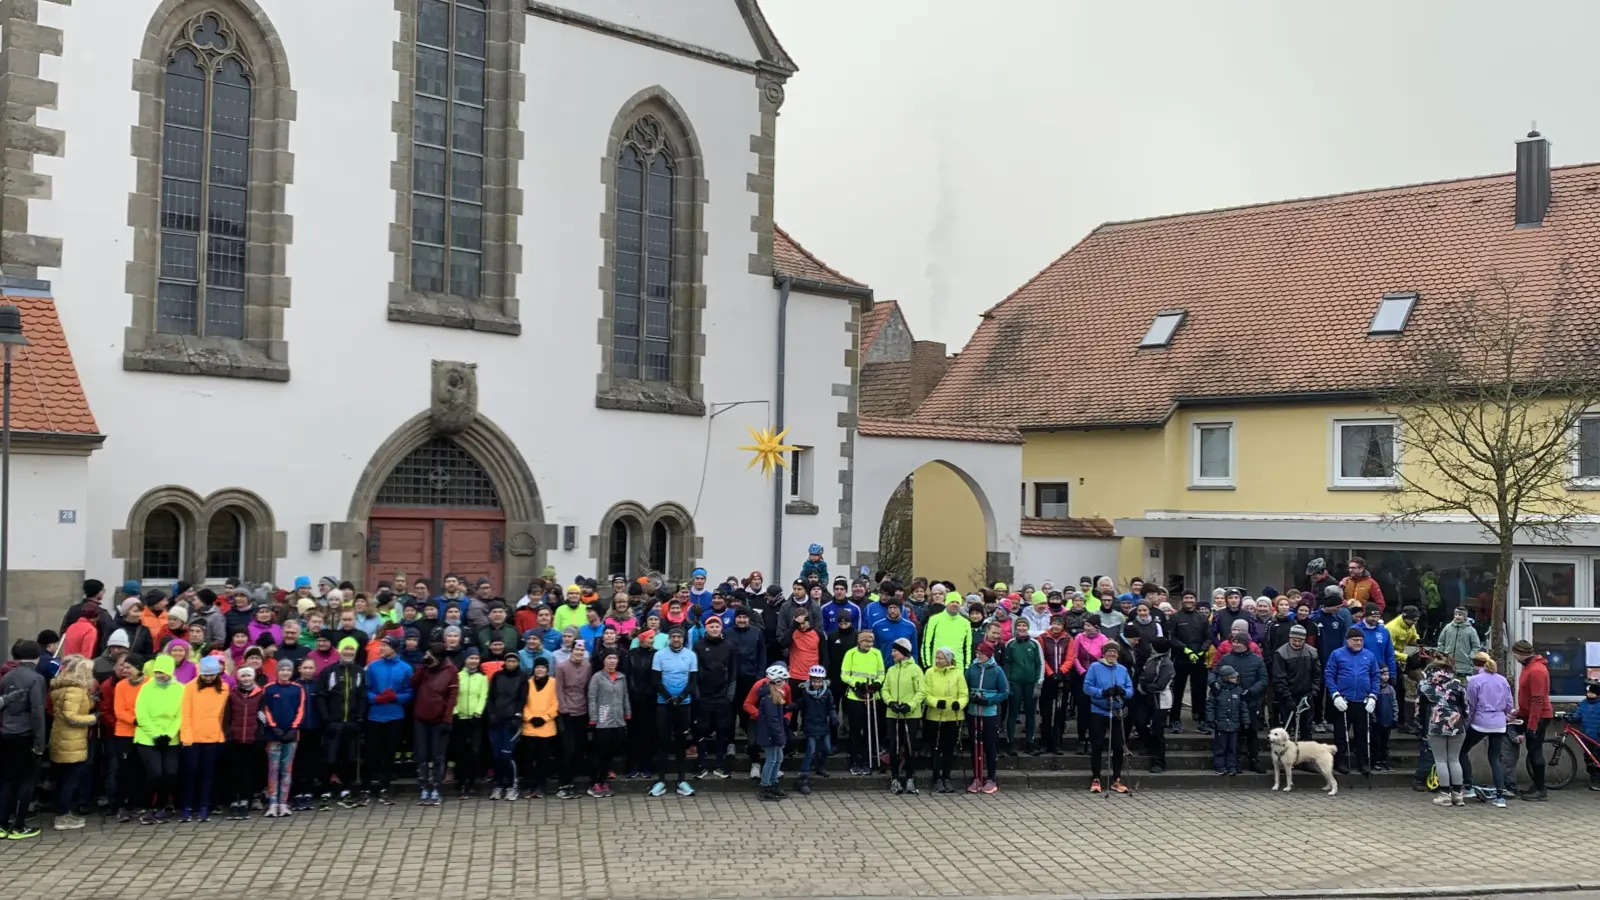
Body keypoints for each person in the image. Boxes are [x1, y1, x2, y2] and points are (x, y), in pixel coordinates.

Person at [314, 637, 367, 808]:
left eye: (352, 650)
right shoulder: (328, 671)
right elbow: (321, 696)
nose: (349, 653)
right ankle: (326, 789)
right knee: (330, 758)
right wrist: (326, 718)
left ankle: (346, 788)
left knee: (349, 758)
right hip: (333, 723)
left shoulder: (359, 672)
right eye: (346, 649)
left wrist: (359, 716)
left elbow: (362, 696)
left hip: (351, 723)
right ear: (340, 651)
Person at [46, 655, 97, 831]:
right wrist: (92, 718)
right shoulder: (74, 691)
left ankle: (63, 812)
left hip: (63, 738)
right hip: (71, 741)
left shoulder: (61, 688)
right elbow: (71, 716)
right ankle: (62, 816)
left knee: (64, 779)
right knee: (69, 780)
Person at [364, 637, 415, 805]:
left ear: (393, 648)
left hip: (395, 715)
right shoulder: (373, 667)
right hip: (375, 715)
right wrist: (376, 698)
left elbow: (410, 692)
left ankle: (385, 787)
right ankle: (367, 787)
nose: (381, 649)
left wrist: (396, 697)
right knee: (371, 752)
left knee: (389, 752)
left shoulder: (405, 668)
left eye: (384, 646)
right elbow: (366, 690)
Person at [177, 655, 229, 822]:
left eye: (211, 675)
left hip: (213, 737)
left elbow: (223, 715)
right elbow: (186, 713)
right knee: (190, 773)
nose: (208, 678)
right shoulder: (190, 687)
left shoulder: (224, 688)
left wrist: (221, 736)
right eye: (205, 675)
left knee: (208, 774)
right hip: (193, 737)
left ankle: (204, 805)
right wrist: (186, 736)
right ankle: (187, 806)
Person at [134, 653, 184, 824]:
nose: (160, 676)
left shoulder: (180, 689)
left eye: (163, 672)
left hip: (170, 738)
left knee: (170, 773)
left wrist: (168, 735)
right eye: (157, 672)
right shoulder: (146, 688)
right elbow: (141, 714)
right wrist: (155, 735)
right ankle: (149, 807)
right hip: (148, 738)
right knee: (155, 773)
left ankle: (163, 806)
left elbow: (180, 715)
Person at [649, 628, 699, 798]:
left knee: (681, 743)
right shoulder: (659, 655)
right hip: (664, 704)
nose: (676, 639)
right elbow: (655, 680)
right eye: (673, 637)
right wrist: (669, 698)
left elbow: (693, 681)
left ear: (683, 639)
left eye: (679, 636)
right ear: (669, 639)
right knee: (663, 742)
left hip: (684, 705)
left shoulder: (691, 655)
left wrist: (681, 697)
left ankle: (681, 780)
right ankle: (661, 780)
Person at [1461, 652, 1515, 807]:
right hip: (1499, 723)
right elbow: (1509, 703)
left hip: (1480, 722)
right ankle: (1500, 796)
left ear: (1476, 665)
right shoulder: (1502, 680)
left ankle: (1468, 786)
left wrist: (1467, 722)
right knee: (1495, 757)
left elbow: (1471, 704)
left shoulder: (1475, 681)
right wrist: (1504, 716)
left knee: (1463, 751)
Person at [1324, 627, 1380, 775]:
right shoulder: (1337, 654)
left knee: (1362, 734)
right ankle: (1340, 761)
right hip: (1343, 700)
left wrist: (1373, 696)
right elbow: (1329, 675)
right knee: (1341, 734)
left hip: (1363, 701)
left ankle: (1363, 762)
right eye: (1355, 640)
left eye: (1361, 640)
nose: (1358, 643)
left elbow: (1375, 676)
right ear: (1347, 640)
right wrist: (1335, 695)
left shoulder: (1369, 655)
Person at [1082, 640, 1133, 794]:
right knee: (1097, 745)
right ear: (1104, 653)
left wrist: (1123, 692)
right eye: (1109, 651)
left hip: (1117, 711)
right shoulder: (1095, 667)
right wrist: (1102, 692)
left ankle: (1116, 779)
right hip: (1099, 710)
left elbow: (1131, 689)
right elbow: (1087, 687)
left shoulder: (1122, 669)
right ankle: (1096, 778)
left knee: (1118, 746)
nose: (1112, 654)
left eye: (1115, 652)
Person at [1417, 660, 1468, 806]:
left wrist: (1421, 724)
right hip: (1456, 723)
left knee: (1440, 760)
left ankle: (1445, 794)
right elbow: (1465, 706)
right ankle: (1458, 794)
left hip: (1436, 724)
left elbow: (1419, 707)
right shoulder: (1457, 684)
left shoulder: (1424, 685)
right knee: (1454, 759)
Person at [692, 615, 737, 779]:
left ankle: (720, 764)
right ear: (706, 628)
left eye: (717, 626)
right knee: (701, 731)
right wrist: (696, 693)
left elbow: (733, 671)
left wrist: (730, 694)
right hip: (704, 696)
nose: (714, 629)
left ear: (721, 628)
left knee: (722, 731)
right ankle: (701, 765)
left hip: (722, 696)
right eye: (711, 626)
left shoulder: (728, 646)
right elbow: (694, 671)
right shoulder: (698, 646)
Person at [262, 658, 306, 817]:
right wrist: (274, 727)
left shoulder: (297, 688)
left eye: (288, 670)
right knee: (273, 769)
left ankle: (283, 802)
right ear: (277, 671)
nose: (285, 673)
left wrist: (294, 729)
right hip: (274, 736)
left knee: (286, 769)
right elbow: (265, 709)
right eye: (282, 670)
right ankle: (272, 802)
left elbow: (300, 709)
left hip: (291, 736)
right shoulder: (269, 688)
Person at [881, 637, 925, 794]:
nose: (892, 654)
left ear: (904, 652)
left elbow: (921, 691)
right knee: (894, 747)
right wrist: (890, 702)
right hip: (893, 714)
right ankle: (894, 778)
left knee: (909, 747)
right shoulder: (892, 670)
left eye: (895, 651)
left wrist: (910, 705)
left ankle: (910, 778)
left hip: (910, 715)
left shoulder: (915, 670)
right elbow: (884, 689)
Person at [965, 641, 1008, 794]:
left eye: (982, 654)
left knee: (989, 746)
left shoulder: (997, 670)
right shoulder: (972, 668)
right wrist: (970, 697)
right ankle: (977, 777)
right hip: (973, 711)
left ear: (989, 655)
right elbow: (965, 685)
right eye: (977, 653)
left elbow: (1004, 692)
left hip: (989, 713)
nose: (979, 656)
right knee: (975, 745)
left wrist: (989, 701)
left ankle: (991, 778)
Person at [839, 629, 884, 775]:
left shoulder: (876, 653)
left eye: (871, 641)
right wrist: (855, 684)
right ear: (859, 641)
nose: (869, 644)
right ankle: (854, 759)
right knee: (855, 730)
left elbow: (881, 673)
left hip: (872, 696)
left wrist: (877, 683)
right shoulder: (850, 653)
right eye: (866, 641)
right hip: (855, 696)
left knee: (869, 729)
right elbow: (844, 674)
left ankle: (866, 759)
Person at [1512, 639, 1552, 801]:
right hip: (1531, 715)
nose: (1514, 656)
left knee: (1535, 752)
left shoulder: (1536, 670)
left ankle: (1541, 789)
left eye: (1515, 653)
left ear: (1520, 653)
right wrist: (1520, 713)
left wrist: (1532, 725)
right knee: (1533, 750)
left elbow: (1537, 700)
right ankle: (1536, 785)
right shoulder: (1529, 667)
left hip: (1539, 716)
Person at [587, 650, 631, 798]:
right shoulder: (597, 677)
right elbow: (592, 698)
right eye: (609, 658)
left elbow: (625, 696)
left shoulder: (621, 677)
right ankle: (594, 782)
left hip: (618, 720)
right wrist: (593, 718)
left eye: (614, 658)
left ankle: (603, 780)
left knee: (610, 753)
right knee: (599, 752)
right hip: (602, 720)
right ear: (603, 661)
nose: (612, 661)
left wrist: (627, 713)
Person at [223, 665, 265, 819]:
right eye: (243, 676)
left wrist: (259, 736)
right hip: (235, 738)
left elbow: (262, 718)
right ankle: (234, 800)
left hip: (251, 740)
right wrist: (228, 736)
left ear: (253, 677)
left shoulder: (260, 694)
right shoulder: (232, 695)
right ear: (238, 678)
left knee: (248, 772)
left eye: (248, 676)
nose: (246, 679)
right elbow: (227, 717)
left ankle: (245, 801)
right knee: (234, 771)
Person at [486, 652, 529, 800]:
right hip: (496, 720)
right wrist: (491, 714)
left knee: (506, 755)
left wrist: (517, 715)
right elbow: (491, 697)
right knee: (496, 755)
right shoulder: (497, 676)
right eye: (508, 661)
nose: (511, 663)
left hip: (512, 721)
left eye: (514, 661)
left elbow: (522, 699)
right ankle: (498, 785)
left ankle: (512, 785)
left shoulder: (522, 678)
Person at [922, 647, 964, 793]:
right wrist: (934, 702)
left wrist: (959, 704)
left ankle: (947, 777)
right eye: (937, 658)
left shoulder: (958, 673)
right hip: (935, 716)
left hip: (953, 716)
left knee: (949, 748)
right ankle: (936, 778)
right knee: (935, 748)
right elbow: (925, 693)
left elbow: (964, 694)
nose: (938, 660)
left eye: (941, 658)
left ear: (949, 660)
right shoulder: (929, 672)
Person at [1068, 614, 1110, 754]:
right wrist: (1081, 671)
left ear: (1096, 627)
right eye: (1085, 625)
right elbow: (1074, 656)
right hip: (1081, 677)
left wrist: (1094, 673)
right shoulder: (1079, 637)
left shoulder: (1103, 639)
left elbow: (1105, 659)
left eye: (1088, 626)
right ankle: (1081, 739)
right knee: (1083, 710)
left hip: (1097, 679)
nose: (1085, 628)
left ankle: (1094, 740)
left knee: (1095, 711)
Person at [1001, 617, 1043, 755]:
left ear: (1028, 627)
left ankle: (1030, 743)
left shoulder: (1035, 644)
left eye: (1024, 625)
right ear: (1016, 627)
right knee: (1013, 712)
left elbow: (1040, 664)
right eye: (1019, 625)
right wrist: (1007, 682)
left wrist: (1039, 682)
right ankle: (1010, 742)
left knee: (1031, 713)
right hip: (1015, 682)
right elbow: (1006, 664)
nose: (1022, 628)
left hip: (1031, 682)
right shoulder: (1011, 644)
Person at [793, 664, 836, 795]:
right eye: (814, 681)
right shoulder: (805, 692)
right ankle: (804, 775)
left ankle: (820, 766)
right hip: (810, 724)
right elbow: (801, 703)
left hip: (823, 725)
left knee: (827, 748)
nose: (816, 683)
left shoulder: (827, 693)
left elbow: (831, 707)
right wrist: (791, 707)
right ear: (810, 680)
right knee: (810, 749)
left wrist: (833, 716)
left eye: (819, 681)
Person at [450, 647, 487, 799]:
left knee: (474, 751)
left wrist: (477, 713)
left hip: (475, 720)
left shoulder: (482, 677)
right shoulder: (457, 676)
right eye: (471, 658)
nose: (473, 661)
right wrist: (456, 712)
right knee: (460, 752)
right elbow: (453, 696)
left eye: (476, 658)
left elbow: (483, 696)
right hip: (459, 719)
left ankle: (471, 781)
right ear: (465, 659)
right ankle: (461, 782)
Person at [1272, 624, 1320, 740]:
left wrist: (1313, 692)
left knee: (1306, 727)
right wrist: (1287, 697)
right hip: (1287, 696)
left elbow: (1317, 675)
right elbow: (1279, 677)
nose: (1297, 643)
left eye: (1300, 640)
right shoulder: (1281, 653)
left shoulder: (1312, 652)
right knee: (1287, 728)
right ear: (1290, 638)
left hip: (1306, 695)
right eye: (1294, 640)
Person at [520, 658, 559, 798]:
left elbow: (556, 703)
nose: (540, 670)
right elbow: (521, 702)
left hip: (547, 726)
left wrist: (545, 717)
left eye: (543, 667)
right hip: (529, 726)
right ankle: (529, 785)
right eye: (538, 667)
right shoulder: (527, 683)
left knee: (543, 759)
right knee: (528, 758)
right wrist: (529, 717)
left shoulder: (554, 683)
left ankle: (540, 786)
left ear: (547, 669)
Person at [1139, 637, 1175, 772]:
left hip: (1161, 700)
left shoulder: (1167, 663)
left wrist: (1146, 687)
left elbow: (1161, 684)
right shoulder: (1151, 659)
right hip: (1148, 697)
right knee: (1141, 721)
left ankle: (1159, 762)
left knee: (1158, 730)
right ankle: (1149, 746)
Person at [755, 664, 791, 801]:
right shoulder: (770, 698)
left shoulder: (775, 696)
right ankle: (765, 786)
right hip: (770, 736)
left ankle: (773, 783)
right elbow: (773, 721)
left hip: (773, 735)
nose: (785, 683)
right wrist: (779, 737)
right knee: (771, 760)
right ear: (776, 682)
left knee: (778, 759)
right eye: (783, 680)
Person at [1038, 616, 1073, 754]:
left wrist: (1062, 672)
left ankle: (1057, 741)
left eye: (1059, 624)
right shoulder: (1043, 638)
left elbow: (1070, 658)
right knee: (1046, 711)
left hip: (1062, 679)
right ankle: (1045, 740)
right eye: (1054, 623)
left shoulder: (1068, 639)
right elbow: (1042, 657)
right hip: (1047, 678)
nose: (1056, 626)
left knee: (1060, 711)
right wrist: (1051, 673)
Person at [1207, 665, 1247, 775]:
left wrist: (1245, 721)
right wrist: (1210, 720)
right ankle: (1219, 766)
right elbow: (1210, 705)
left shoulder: (1238, 690)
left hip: (1234, 724)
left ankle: (1231, 766)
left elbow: (1243, 707)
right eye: (1232, 677)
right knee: (1220, 747)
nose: (1235, 679)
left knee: (1232, 748)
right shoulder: (1217, 690)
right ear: (1225, 677)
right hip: (1221, 724)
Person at [1436, 607, 1482, 677]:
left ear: (1465, 616)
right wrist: (1442, 654)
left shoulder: (1471, 630)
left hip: (1464, 666)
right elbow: (1441, 642)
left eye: (1460, 615)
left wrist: (1470, 657)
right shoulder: (1448, 627)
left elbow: (1476, 646)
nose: (1457, 616)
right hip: (1447, 664)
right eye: (1456, 614)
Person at [1573, 681, 1600, 791]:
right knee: (1588, 759)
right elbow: (1578, 715)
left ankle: (1598, 781)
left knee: (1597, 758)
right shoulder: (1584, 703)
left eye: (1591, 692)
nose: (1589, 694)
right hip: (1586, 736)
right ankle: (1593, 778)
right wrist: (1569, 716)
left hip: (1597, 736)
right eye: (1588, 692)